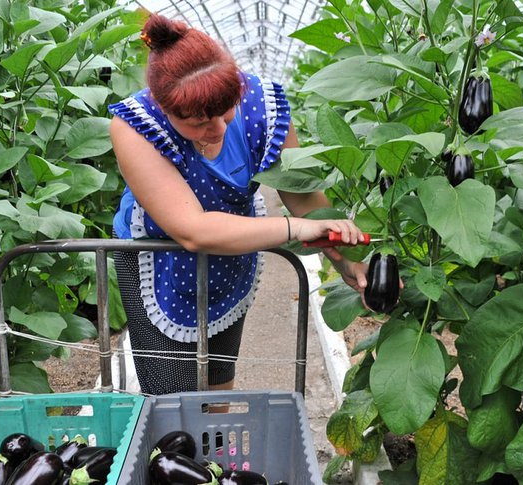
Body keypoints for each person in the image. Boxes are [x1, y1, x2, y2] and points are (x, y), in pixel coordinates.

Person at [108, 13, 368, 395]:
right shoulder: (136, 125)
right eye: (198, 122)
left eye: (225, 111)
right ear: (164, 108)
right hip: (159, 264)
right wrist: (294, 230)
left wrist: (346, 260)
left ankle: (215, 453)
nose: (218, 129)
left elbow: (300, 195)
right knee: (171, 401)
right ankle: (184, 452)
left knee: (217, 383)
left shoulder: (263, 104)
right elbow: (192, 229)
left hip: (231, 255)